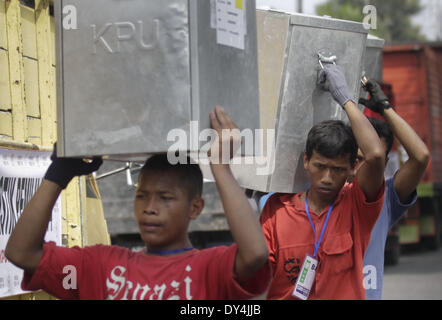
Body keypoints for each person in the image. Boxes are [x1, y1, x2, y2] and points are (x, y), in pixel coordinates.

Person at [5, 106, 271, 300]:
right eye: (142, 195)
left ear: (196, 208)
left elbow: (255, 254)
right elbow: (22, 253)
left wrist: (221, 168)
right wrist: (57, 176)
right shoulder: (99, 267)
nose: (149, 207)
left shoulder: (210, 269)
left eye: (165, 198)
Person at [260, 64, 386, 300]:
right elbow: (256, 275)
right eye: (320, 166)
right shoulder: (276, 210)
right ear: (306, 161)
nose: (327, 178)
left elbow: (376, 154)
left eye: (338, 170)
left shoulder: (357, 206)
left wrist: (345, 99)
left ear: (353, 167)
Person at [358, 80, 430, 300]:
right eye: (360, 158)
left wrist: (385, 109)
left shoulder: (386, 198)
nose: (364, 166)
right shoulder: (328, 195)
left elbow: (420, 157)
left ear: (384, 161)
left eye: (375, 159)